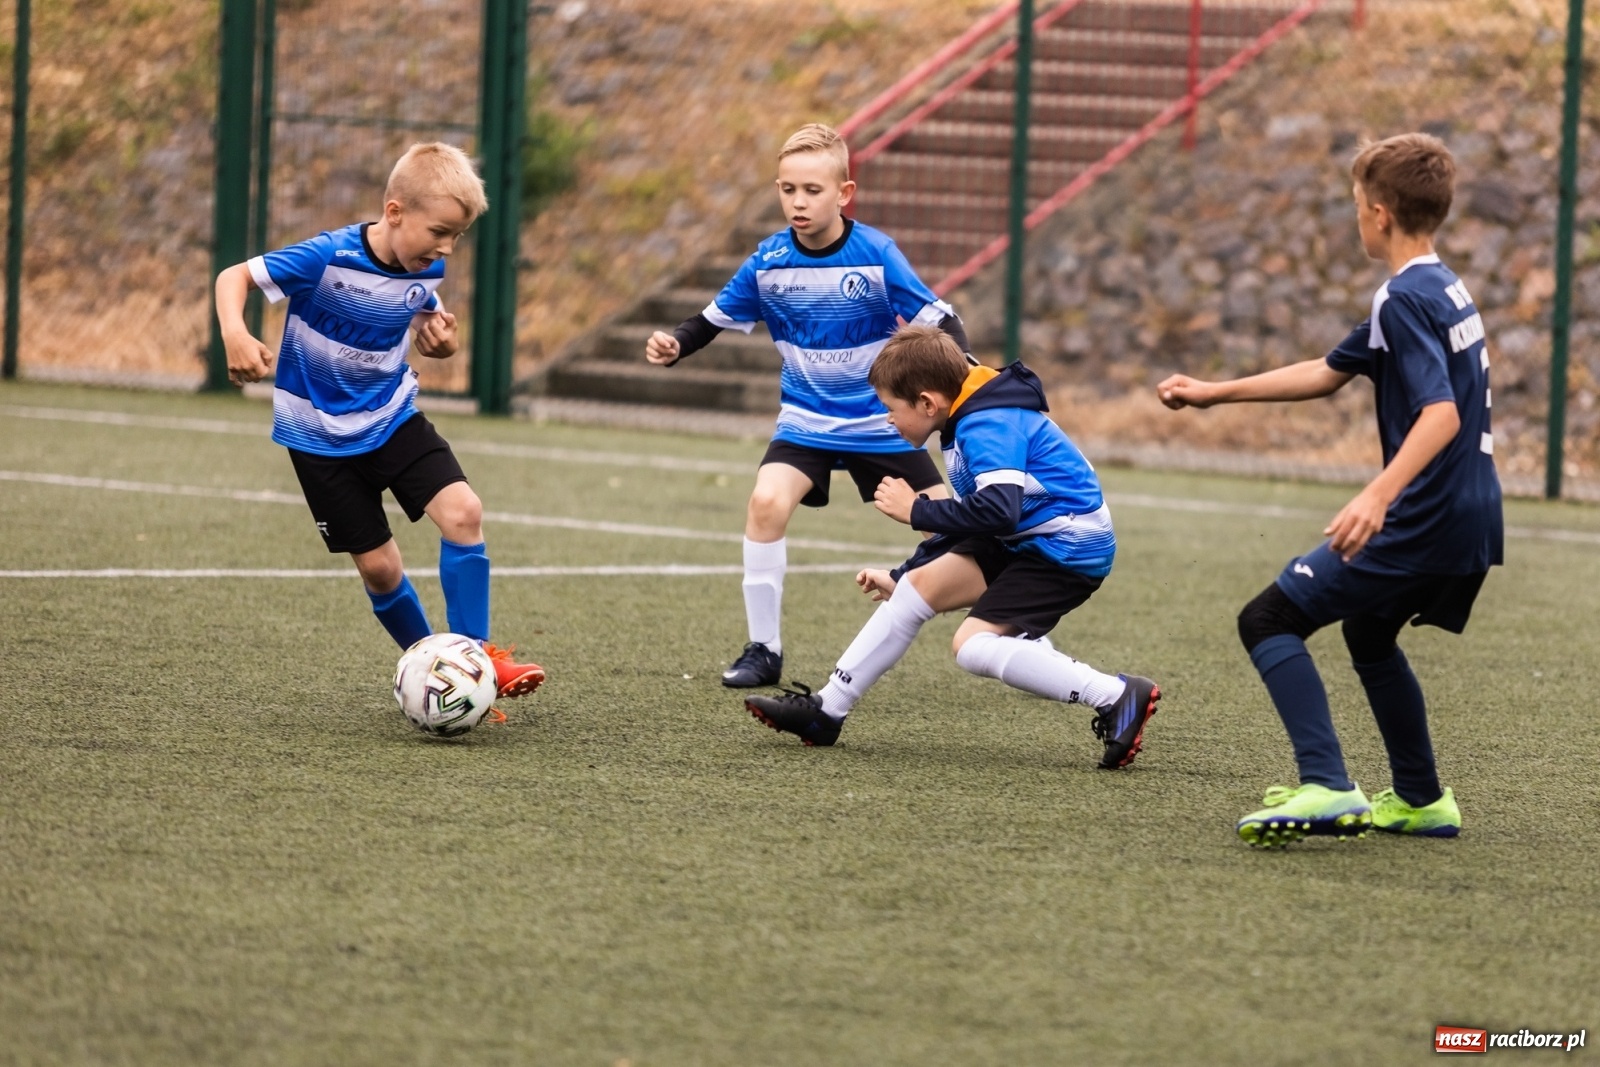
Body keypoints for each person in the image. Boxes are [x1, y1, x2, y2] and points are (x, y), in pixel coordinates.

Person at [1156, 132, 1501, 847]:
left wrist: (1377, 494)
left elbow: (1442, 413)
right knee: (1369, 631)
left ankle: (1327, 783)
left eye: (1354, 206)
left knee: (1268, 619)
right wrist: (1216, 394)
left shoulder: (1402, 298)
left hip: (1424, 517)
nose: (1354, 218)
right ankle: (1419, 797)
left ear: (1378, 213)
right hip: (1472, 515)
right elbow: (1329, 369)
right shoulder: (1441, 287)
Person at [214, 142, 545, 712]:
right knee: (380, 566)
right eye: (438, 231)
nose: (445, 248)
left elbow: (425, 320)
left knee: (464, 513)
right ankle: (435, 670)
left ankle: (478, 660)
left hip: (393, 417)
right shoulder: (326, 257)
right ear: (395, 213)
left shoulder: (426, 267)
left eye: (456, 237)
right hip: (316, 435)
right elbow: (232, 277)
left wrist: (441, 342)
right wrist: (235, 334)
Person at [743, 325, 1161, 767]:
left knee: (972, 647)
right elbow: (983, 520)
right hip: (1027, 539)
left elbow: (1000, 513)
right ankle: (826, 711)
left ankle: (1117, 696)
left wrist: (917, 511)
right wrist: (904, 573)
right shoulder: (967, 409)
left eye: (890, 408)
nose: (887, 418)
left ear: (926, 403)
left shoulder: (986, 423)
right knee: (916, 589)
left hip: (1067, 550)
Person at [645, 123, 969, 689]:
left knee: (957, 529)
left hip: (880, 422)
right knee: (766, 502)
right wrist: (675, 344)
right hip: (806, 422)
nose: (798, 201)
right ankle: (763, 650)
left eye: (812, 190)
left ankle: (1013, 625)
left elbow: (942, 322)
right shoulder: (769, 260)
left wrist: (971, 391)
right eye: (788, 189)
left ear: (843, 193)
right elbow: (710, 320)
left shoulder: (875, 254)